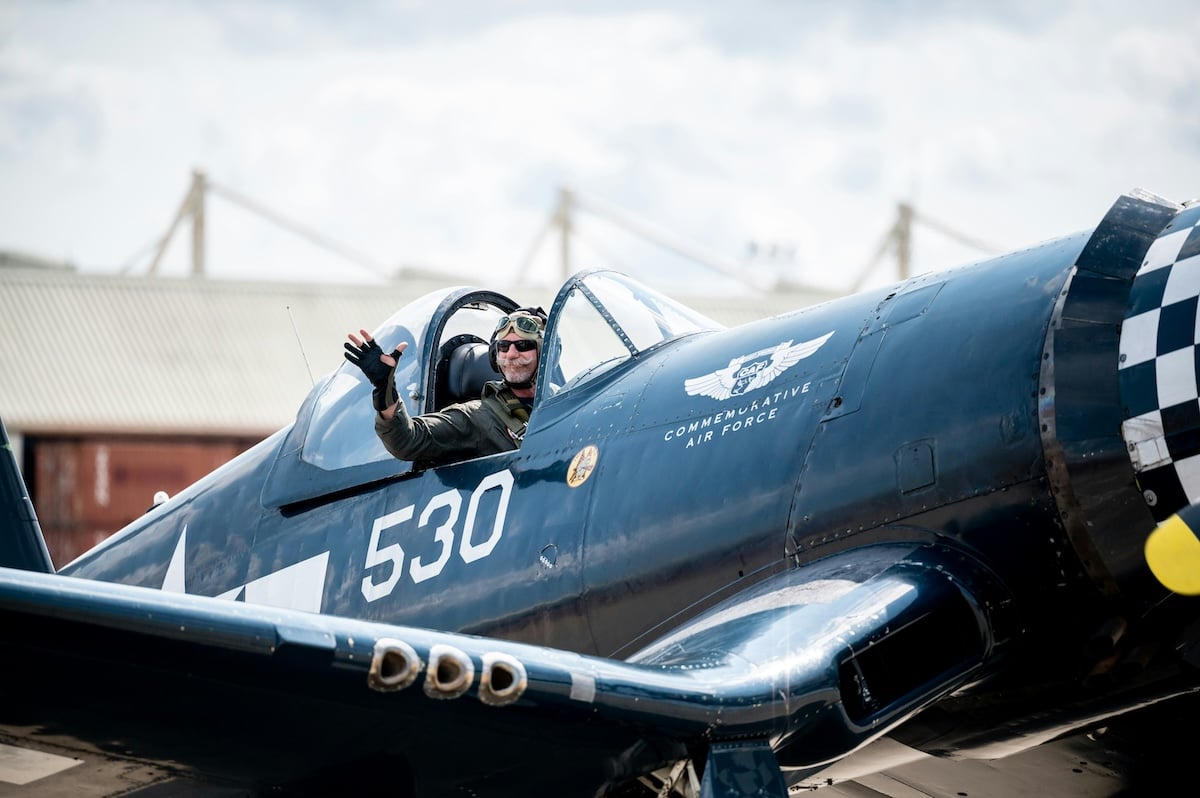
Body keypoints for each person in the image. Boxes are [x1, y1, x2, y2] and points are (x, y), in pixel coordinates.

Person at [344, 307, 547, 464]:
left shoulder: (561, 402)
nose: (511, 354)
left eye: (523, 346)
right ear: (494, 356)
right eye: (503, 347)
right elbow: (406, 439)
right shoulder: (477, 416)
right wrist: (384, 387)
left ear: (544, 353)